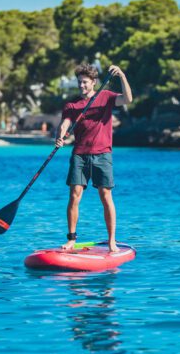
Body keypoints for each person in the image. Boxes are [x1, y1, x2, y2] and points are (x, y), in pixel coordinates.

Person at [55, 63, 133, 252]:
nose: (81, 86)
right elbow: (65, 124)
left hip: (102, 154)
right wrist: (60, 136)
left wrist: (121, 75)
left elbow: (128, 99)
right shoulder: (72, 105)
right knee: (74, 196)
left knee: (105, 196)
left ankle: (112, 240)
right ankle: (71, 239)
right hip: (79, 155)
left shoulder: (105, 97)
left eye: (85, 82)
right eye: (79, 82)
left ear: (94, 82)